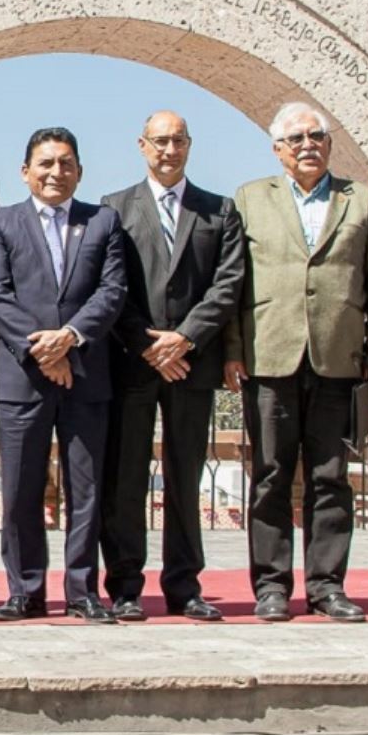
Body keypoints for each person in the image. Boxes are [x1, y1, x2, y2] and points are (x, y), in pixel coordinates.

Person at [225, 103, 368, 623]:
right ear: (278, 149)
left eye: (316, 136)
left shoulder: (360, 201)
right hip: (269, 355)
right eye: (295, 138)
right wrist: (231, 349)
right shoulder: (251, 198)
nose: (307, 145)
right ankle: (271, 586)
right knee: (271, 475)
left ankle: (327, 585)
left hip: (336, 358)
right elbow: (234, 282)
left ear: (329, 144)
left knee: (331, 475)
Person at [98, 110, 244, 622]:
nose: (169, 150)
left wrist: (183, 340)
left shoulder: (219, 211)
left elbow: (227, 285)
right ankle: (124, 585)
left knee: (185, 479)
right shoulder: (113, 208)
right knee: (126, 479)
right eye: (159, 141)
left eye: (178, 140)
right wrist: (147, 344)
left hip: (191, 367)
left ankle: (184, 586)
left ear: (189, 144)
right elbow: (109, 286)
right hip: (132, 365)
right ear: (142, 145)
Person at [0, 127, 127, 623]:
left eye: (65, 163)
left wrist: (69, 338)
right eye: (45, 163)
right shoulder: (1, 223)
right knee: (20, 488)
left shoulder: (104, 221)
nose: (55, 173)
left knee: (84, 490)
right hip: (23, 378)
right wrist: (44, 349)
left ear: (79, 172)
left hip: (86, 376)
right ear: (26, 171)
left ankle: (83, 590)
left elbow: (111, 293)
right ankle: (25, 589)